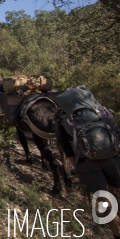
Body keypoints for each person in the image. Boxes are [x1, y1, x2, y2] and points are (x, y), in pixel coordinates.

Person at [54, 86, 120, 239]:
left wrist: (76, 166)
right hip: (112, 156)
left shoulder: (61, 115)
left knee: (104, 202)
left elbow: (65, 146)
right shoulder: (99, 108)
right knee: (116, 193)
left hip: (87, 162)